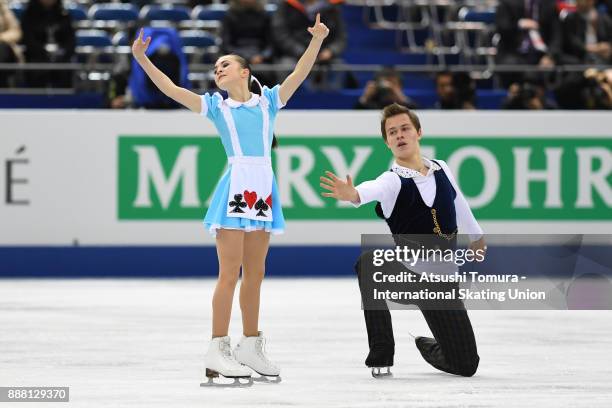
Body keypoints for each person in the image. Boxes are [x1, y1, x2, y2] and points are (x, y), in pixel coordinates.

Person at [132, 14, 330, 385]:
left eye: (225, 64)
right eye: (215, 67)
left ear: (245, 72)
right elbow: (173, 89)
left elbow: (299, 74)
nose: (217, 70)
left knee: (255, 273)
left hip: (264, 189)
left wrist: (317, 40)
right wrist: (143, 60)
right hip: (236, 187)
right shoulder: (217, 108)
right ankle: (216, 347)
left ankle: (250, 345)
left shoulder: (269, 102)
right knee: (229, 273)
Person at [320, 103, 485, 377]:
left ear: (418, 132)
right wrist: (353, 195)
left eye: (405, 128)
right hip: (407, 276)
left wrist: (477, 237)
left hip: (441, 284)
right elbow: (370, 189)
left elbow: (459, 203)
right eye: (392, 132)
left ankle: (430, 345)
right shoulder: (392, 181)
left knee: (466, 365)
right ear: (387, 142)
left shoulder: (442, 168)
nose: (399, 135)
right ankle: (381, 353)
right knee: (368, 264)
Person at [272, 0, 346, 89]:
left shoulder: (331, 7)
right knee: (284, 67)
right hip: (295, 54)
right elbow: (281, 35)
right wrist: (304, 53)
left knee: (340, 68)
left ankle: (332, 101)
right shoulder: (287, 5)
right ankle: (288, 101)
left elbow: (340, 38)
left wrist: (331, 51)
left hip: (324, 55)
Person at [495, 0, 561, 86]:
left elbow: (557, 36)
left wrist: (550, 56)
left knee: (572, 65)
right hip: (514, 52)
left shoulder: (549, 4)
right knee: (519, 68)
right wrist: (519, 24)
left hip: (542, 53)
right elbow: (502, 27)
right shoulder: (507, 3)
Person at [21, 0, 75, 88]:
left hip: (61, 57)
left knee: (65, 69)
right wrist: (44, 52)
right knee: (36, 69)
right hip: (37, 56)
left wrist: (60, 53)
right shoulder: (29, 15)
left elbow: (70, 41)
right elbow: (28, 40)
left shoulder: (64, 14)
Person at [560, 0, 612, 65]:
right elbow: (571, 41)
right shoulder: (570, 19)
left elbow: (609, 40)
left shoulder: (604, 19)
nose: (581, 2)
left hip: (602, 58)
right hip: (579, 58)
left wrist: (608, 48)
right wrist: (594, 48)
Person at [0, 0, 23, 87]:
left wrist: (1, 38)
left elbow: (16, 32)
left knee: (2, 49)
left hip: (2, 47)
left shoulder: (2, 7)